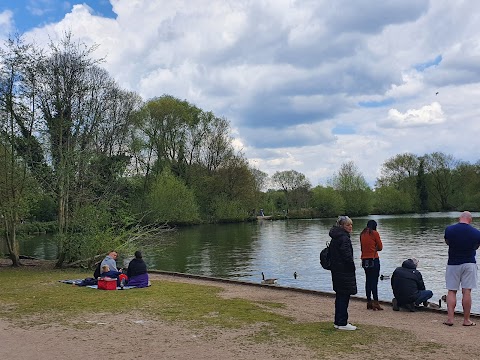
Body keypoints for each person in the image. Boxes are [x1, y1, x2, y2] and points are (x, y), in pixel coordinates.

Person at [444, 211, 480, 326]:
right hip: (469, 263)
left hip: (453, 263)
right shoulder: (476, 233)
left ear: (460, 218)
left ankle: (450, 319)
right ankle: (466, 320)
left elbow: (447, 242)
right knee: (467, 291)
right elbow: (476, 247)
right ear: (470, 220)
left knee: (451, 291)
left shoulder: (449, 229)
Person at [329, 215, 357, 330]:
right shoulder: (344, 238)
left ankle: (338, 321)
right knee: (344, 297)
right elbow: (347, 257)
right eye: (348, 225)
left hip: (336, 271)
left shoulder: (335, 238)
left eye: (351, 224)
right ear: (342, 226)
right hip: (344, 271)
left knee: (340, 296)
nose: (350, 227)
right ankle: (342, 322)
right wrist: (352, 267)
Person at [360, 220, 383, 310]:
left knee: (368, 280)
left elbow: (362, 247)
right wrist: (375, 248)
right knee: (374, 281)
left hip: (364, 259)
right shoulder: (375, 233)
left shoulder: (362, 234)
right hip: (373, 259)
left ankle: (369, 302)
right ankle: (376, 302)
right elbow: (380, 247)